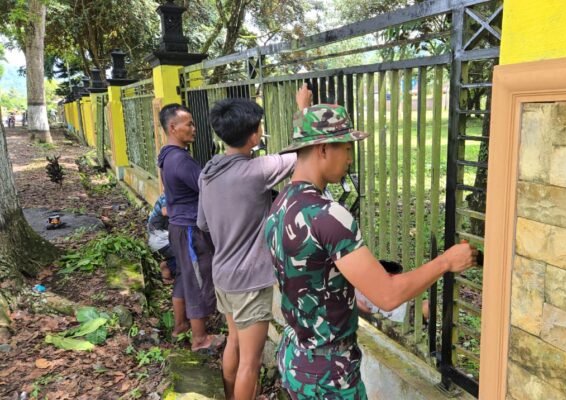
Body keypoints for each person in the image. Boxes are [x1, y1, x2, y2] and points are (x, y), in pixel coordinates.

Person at [264, 104, 477, 399]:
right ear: (323, 149)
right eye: (347, 148)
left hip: (296, 358)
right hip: (330, 377)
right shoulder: (328, 215)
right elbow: (387, 295)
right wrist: (446, 262)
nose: (350, 158)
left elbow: (309, 274)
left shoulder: (281, 203)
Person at [196, 86, 310, 400]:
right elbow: (304, 152)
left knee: (233, 341)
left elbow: (202, 224)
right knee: (251, 361)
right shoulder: (256, 171)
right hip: (248, 282)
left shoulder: (208, 172)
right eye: (259, 126)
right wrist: (303, 110)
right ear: (253, 135)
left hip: (222, 275)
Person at [157, 104, 224, 353]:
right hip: (190, 229)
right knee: (198, 279)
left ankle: (180, 325)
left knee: (185, 276)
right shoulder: (180, 160)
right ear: (173, 127)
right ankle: (200, 338)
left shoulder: (166, 155)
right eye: (189, 124)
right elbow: (208, 189)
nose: (194, 129)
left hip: (178, 226)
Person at [146, 193, 190, 338]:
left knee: (182, 259)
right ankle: (168, 267)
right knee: (185, 264)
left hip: (161, 238)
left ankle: (167, 266)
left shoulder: (170, 192)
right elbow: (166, 211)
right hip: (161, 239)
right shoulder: (168, 195)